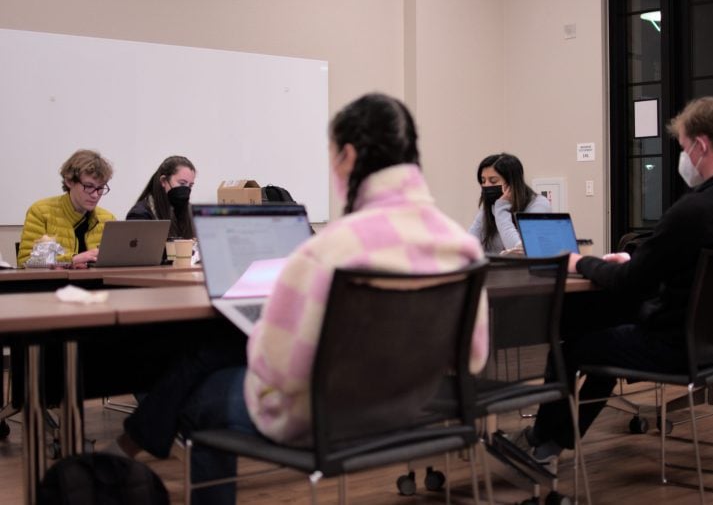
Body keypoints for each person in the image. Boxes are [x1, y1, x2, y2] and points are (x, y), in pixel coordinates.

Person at [168, 93, 490, 505]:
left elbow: (279, 369)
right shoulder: (461, 247)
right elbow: (473, 358)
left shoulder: (327, 251)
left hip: (327, 420)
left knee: (202, 395)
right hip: (414, 411)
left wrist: (262, 329)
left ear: (349, 155)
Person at [519, 96, 713, 469]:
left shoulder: (694, 210)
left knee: (573, 344)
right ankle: (554, 440)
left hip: (673, 347)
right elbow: (685, 269)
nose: (684, 158)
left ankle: (543, 441)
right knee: (605, 335)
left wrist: (580, 262)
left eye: (683, 147)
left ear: (700, 145)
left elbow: (630, 283)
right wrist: (635, 261)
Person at [17, 149, 116, 267]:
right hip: (55, 285)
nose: (95, 195)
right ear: (69, 181)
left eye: (100, 188)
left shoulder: (107, 219)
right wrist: (72, 260)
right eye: (89, 186)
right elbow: (25, 262)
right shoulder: (41, 212)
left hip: (97, 284)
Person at [468, 153, 551, 253]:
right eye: (483, 181)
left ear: (512, 183)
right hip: (495, 268)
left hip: (524, 267)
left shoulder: (538, 205)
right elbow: (469, 243)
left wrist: (501, 210)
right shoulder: (491, 204)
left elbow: (519, 251)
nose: (486, 186)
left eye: (493, 181)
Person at [127, 155, 197, 239]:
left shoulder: (189, 213)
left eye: (190, 185)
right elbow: (137, 250)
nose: (186, 189)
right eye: (182, 183)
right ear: (163, 181)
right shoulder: (140, 214)